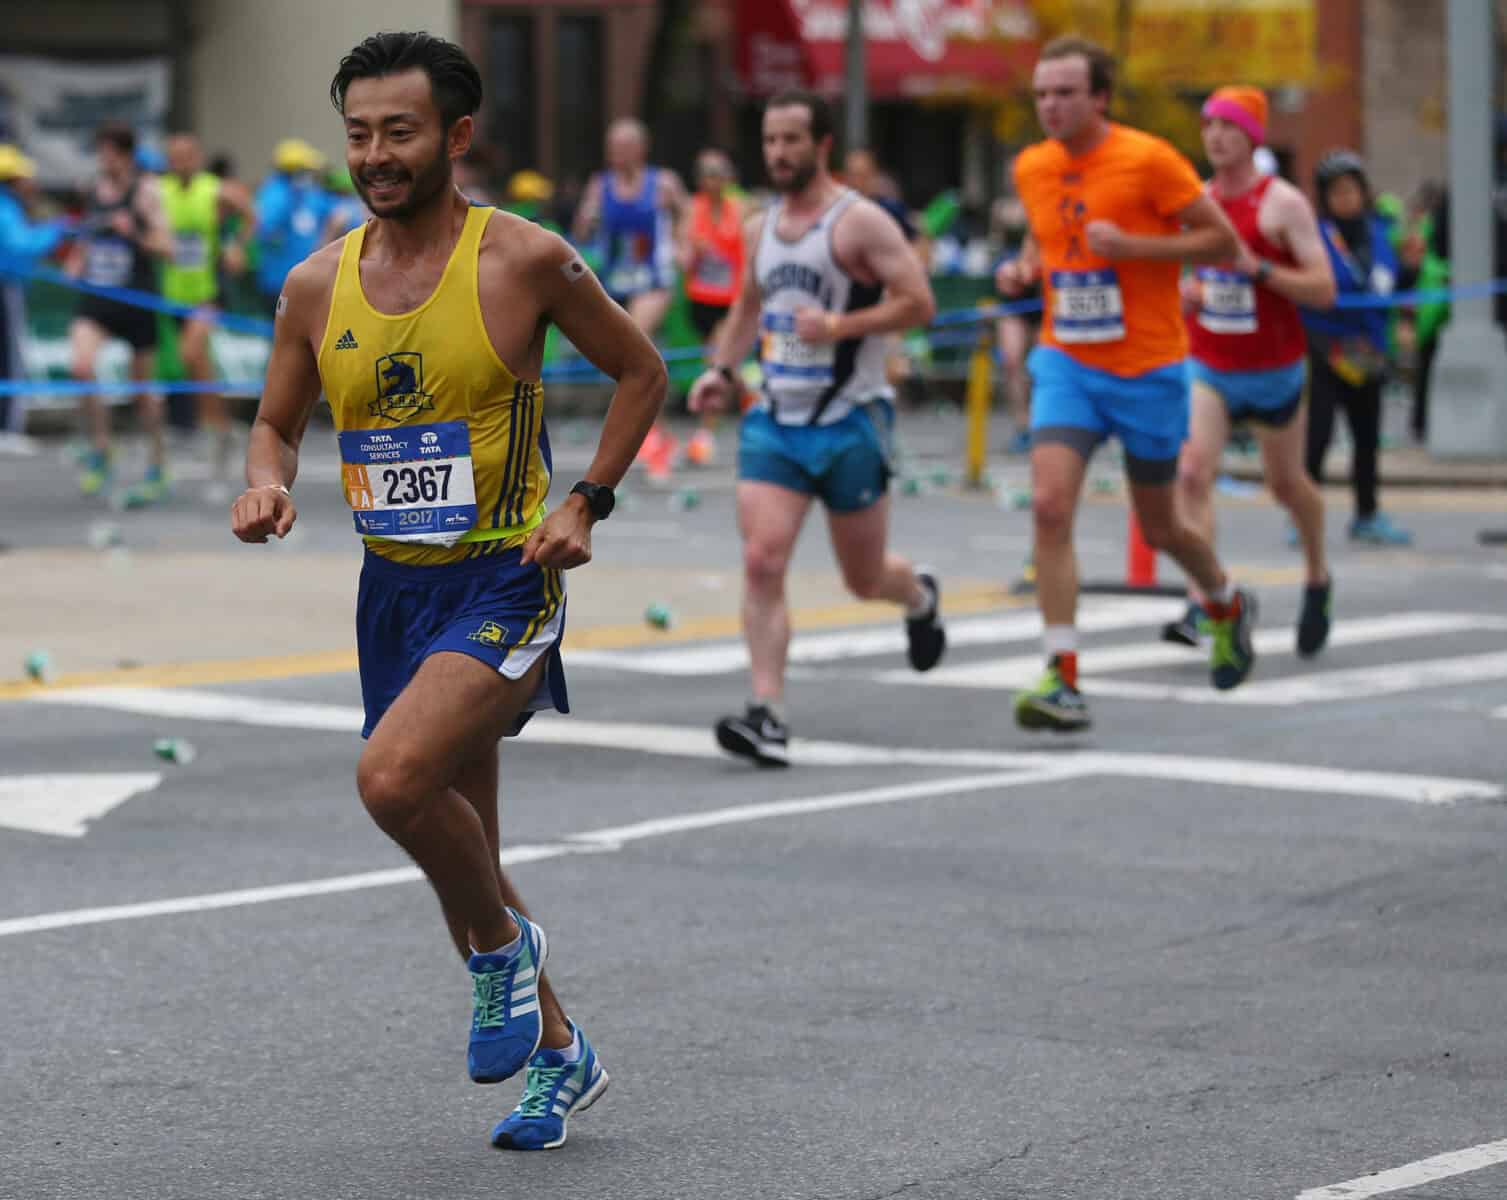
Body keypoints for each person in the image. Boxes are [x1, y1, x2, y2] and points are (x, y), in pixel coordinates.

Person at [230, 31, 665, 1151]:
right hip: (395, 593)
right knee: (458, 843)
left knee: (393, 779)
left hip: (505, 577)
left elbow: (641, 371)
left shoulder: (524, 260)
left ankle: (504, 956)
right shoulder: (314, 283)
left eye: (400, 132)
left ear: (456, 136)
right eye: (360, 134)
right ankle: (560, 1053)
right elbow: (275, 422)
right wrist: (265, 483)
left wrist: (587, 502)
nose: (375, 154)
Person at [994, 36, 1257, 733]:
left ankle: (1225, 601)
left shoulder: (1149, 160)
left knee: (1162, 526)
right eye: (1041, 94)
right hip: (1066, 363)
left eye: (1065, 93)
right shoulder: (1031, 166)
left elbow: (1221, 243)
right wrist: (1023, 267)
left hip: (1146, 367)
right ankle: (1063, 674)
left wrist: (1137, 248)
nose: (1049, 105)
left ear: (1100, 97)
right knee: (1049, 508)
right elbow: (1047, 238)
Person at [688, 89, 946, 766]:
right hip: (776, 418)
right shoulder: (757, 227)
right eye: (769, 141)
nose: (776, 153)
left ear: (821, 144)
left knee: (862, 579)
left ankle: (917, 596)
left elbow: (919, 302)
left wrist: (840, 327)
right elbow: (748, 307)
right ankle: (766, 713)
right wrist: (720, 369)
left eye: (790, 141)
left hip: (850, 419)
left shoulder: (858, 224)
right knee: (762, 559)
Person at [1163, 86, 1337, 656]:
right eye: (1209, 125)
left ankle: (1317, 576)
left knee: (1287, 486)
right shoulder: (1198, 201)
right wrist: (1191, 293)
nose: (1215, 136)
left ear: (1253, 136)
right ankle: (1205, 598)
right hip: (1210, 360)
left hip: (1275, 367)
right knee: (1192, 472)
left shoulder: (1281, 204)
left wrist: (1259, 269)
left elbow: (1324, 290)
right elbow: (1195, 279)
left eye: (1228, 127)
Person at [1302, 151, 1413, 545]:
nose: (1346, 198)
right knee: (1319, 434)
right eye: (1337, 192)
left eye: (1352, 190)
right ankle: (1303, 515)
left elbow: (1394, 285)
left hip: (1367, 350)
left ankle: (1367, 514)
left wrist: (1411, 269)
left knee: (1366, 436)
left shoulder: (1380, 234)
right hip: (1324, 346)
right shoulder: (1313, 237)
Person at [69, 121, 173, 503]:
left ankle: (157, 465)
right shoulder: (94, 190)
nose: (102, 160)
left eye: (108, 152)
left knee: (142, 393)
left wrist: (134, 233)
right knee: (81, 367)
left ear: (124, 154)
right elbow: (87, 236)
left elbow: (167, 246)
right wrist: (77, 262)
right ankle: (101, 450)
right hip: (97, 294)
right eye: (99, 152)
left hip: (135, 298)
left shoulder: (145, 191)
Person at [160, 132, 257, 496]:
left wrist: (235, 246)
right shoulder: (159, 192)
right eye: (174, 156)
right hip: (170, 296)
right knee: (197, 365)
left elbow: (250, 213)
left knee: (191, 354)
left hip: (207, 292)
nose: (181, 162)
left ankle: (213, 430)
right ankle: (220, 428)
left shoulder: (214, 189)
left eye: (187, 155)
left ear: (197, 157)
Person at [571, 118, 686, 333]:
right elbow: (581, 235)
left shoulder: (663, 182)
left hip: (653, 278)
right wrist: (586, 218)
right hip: (612, 279)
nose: (615, 152)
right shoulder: (599, 184)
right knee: (617, 349)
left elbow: (689, 217)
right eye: (611, 146)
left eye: (622, 147)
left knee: (635, 333)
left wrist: (682, 246)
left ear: (641, 148)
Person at [678, 148, 745, 465]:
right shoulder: (694, 210)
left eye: (718, 174)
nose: (713, 180)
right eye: (707, 174)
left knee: (718, 363)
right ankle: (757, 411)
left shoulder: (740, 208)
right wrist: (694, 253)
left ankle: (705, 436)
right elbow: (682, 256)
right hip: (702, 300)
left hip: (731, 300)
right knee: (726, 367)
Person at [0, 144, 70, 440]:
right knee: (9, 358)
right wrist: (58, 230)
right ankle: (8, 428)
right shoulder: (6, 208)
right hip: (5, 288)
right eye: (24, 179)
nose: (31, 184)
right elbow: (21, 246)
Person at [253, 137, 334, 311]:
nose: (309, 176)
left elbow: (331, 212)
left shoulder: (309, 194)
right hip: (280, 282)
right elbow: (265, 229)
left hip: (309, 279)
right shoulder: (275, 195)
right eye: (305, 170)